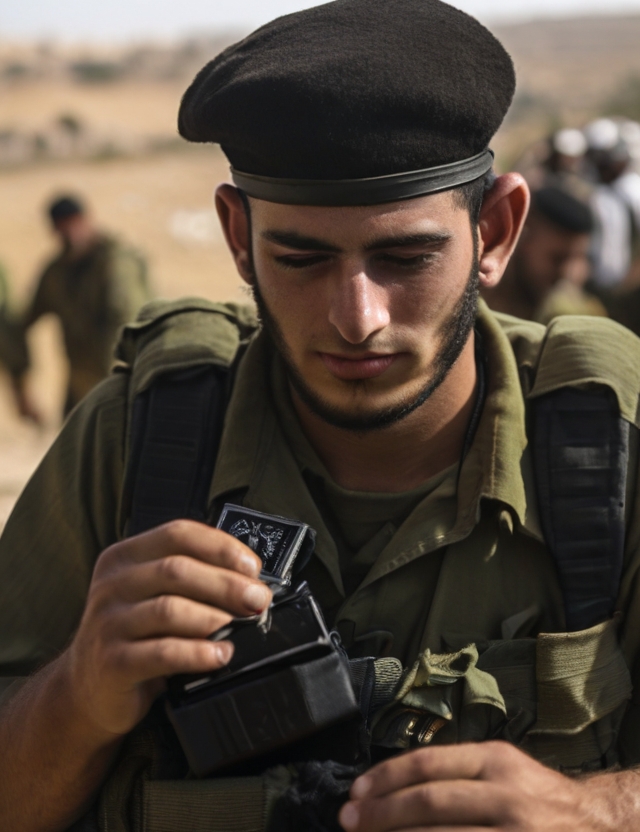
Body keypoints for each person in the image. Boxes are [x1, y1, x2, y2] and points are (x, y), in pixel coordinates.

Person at [2, 1, 640, 831]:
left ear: (495, 230)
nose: (357, 317)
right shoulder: (140, 436)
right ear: (238, 234)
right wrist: (79, 693)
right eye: (300, 258)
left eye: (405, 257)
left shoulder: (608, 439)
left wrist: (594, 809)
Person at [11, 195, 153, 418]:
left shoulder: (116, 264)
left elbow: (128, 323)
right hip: (81, 386)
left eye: (74, 224)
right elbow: (24, 320)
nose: (71, 233)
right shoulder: (56, 272)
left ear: (87, 220)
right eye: (62, 227)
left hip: (124, 384)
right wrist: (21, 383)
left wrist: (119, 384)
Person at [481, 184, 606, 324]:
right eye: (557, 259)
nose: (566, 272)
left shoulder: (573, 314)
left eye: (577, 258)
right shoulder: (480, 296)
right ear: (523, 236)